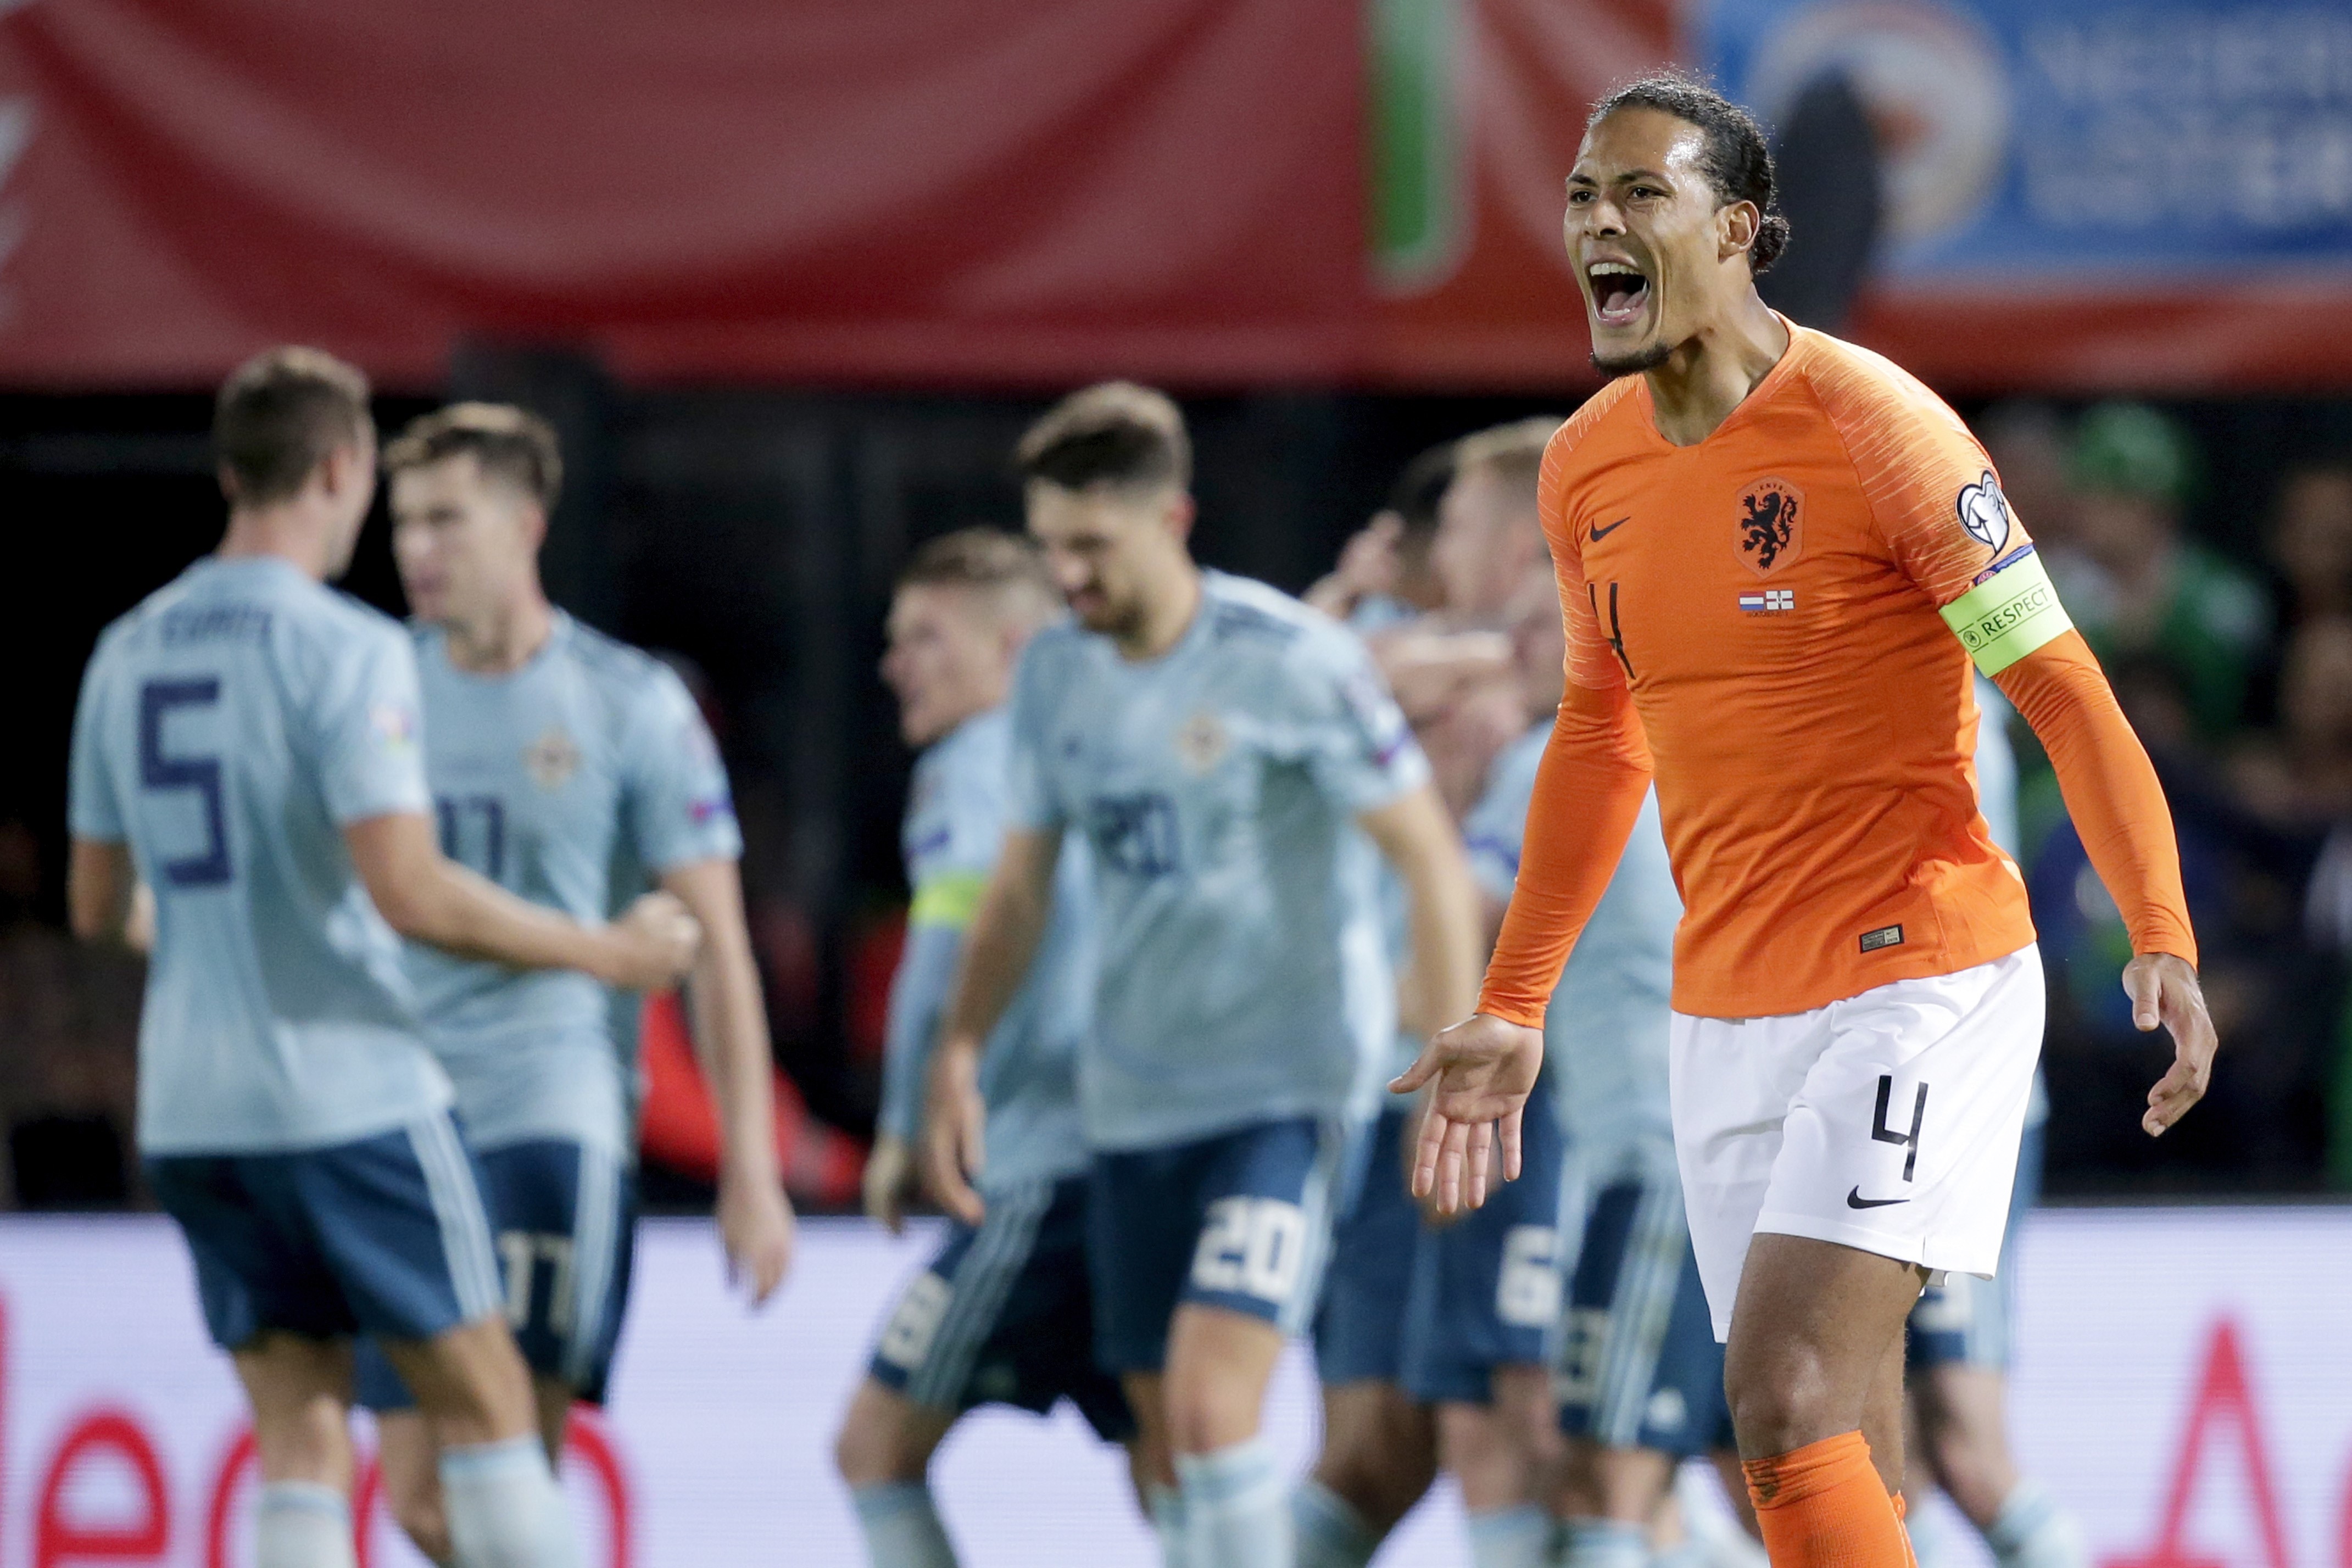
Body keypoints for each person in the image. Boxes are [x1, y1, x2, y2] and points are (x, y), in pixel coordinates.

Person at [1403, 73, 2214, 1567]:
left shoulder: (1878, 424)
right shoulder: (1587, 463)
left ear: (1742, 229)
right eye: (1584, 196)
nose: (1598, 221)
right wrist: (1513, 999)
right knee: (1825, 1440)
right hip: (1725, 1006)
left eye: (1641, 192)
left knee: (1774, 1390)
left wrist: (2155, 923)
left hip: (1921, 978)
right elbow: (1600, 727)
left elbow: (2060, 684)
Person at [65, 348, 700, 1568]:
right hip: (350, 1094)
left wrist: (228, 931)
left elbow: (100, 904)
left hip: (194, 1110)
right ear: (342, 467)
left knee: (299, 1437)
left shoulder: (125, 649)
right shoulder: (348, 647)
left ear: (229, 469)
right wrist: (604, 949)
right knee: (490, 1411)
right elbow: (408, 893)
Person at [923, 382, 1484, 1568]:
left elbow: (1427, 858)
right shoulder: (1054, 678)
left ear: (1170, 517)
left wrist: (1450, 1058)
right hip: (1127, 1109)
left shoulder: (1290, 660)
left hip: (1281, 1097)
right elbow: (1018, 888)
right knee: (1161, 1451)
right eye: (1051, 545)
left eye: (1092, 545)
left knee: (1208, 1407)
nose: (1067, 575)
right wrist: (960, 1049)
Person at [345, 403, 795, 1563]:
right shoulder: (372, 685)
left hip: (552, 1113)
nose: (417, 549)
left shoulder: (626, 700)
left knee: (507, 1473)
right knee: (419, 1499)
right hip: (397, 1119)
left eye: (446, 518)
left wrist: (752, 1164)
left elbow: (716, 947)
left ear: (527, 524)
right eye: (404, 522)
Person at [835, 527, 1140, 1566]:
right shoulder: (1098, 757)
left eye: (924, 636)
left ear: (1014, 648)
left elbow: (943, 950)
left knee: (873, 1447)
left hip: (1040, 1179)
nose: (894, 664)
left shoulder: (978, 761)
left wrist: (898, 1125)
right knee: (1171, 1467)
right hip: (1130, 1158)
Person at [1395, 427, 1578, 1568]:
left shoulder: (1561, 747)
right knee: (1484, 1421)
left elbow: (1477, 912)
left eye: (1457, 522)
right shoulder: (1512, 727)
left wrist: (1418, 805)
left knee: (1556, 1425)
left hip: (1552, 1120)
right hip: (1504, 1109)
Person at [1901, 680, 2085, 1568]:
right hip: (1897, 1100)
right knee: (1887, 1452)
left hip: (1956, 1111)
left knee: (1965, 1449)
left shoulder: (1942, 707)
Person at [2049, 401, 2270, 740]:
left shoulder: (2222, 598)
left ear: (2163, 507)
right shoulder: (2045, 588)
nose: (2092, 511)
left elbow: (2247, 718)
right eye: (2088, 494)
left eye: (2118, 498)